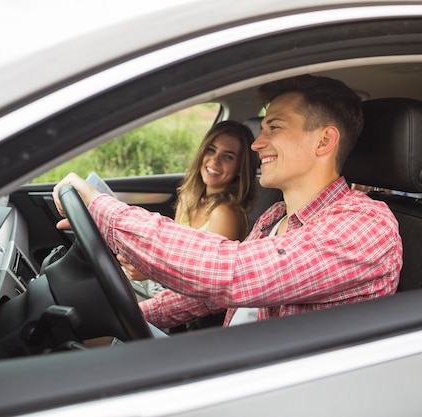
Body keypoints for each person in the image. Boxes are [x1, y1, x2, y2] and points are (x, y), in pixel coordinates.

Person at [52, 74, 403, 330]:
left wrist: (104, 211)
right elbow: (208, 297)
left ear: (324, 140)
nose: (256, 144)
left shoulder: (366, 223)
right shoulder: (275, 217)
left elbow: (231, 273)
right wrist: (130, 317)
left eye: (274, 128)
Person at [117, 120, 257, 307]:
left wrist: (151, 272)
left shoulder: (224, 213)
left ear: (241, 168)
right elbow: (170, 254)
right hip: (159, 287)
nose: (214, 160)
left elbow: (207, 285)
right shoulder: (189, 198)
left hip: (178, 301)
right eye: (211, 150)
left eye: (228, 157)